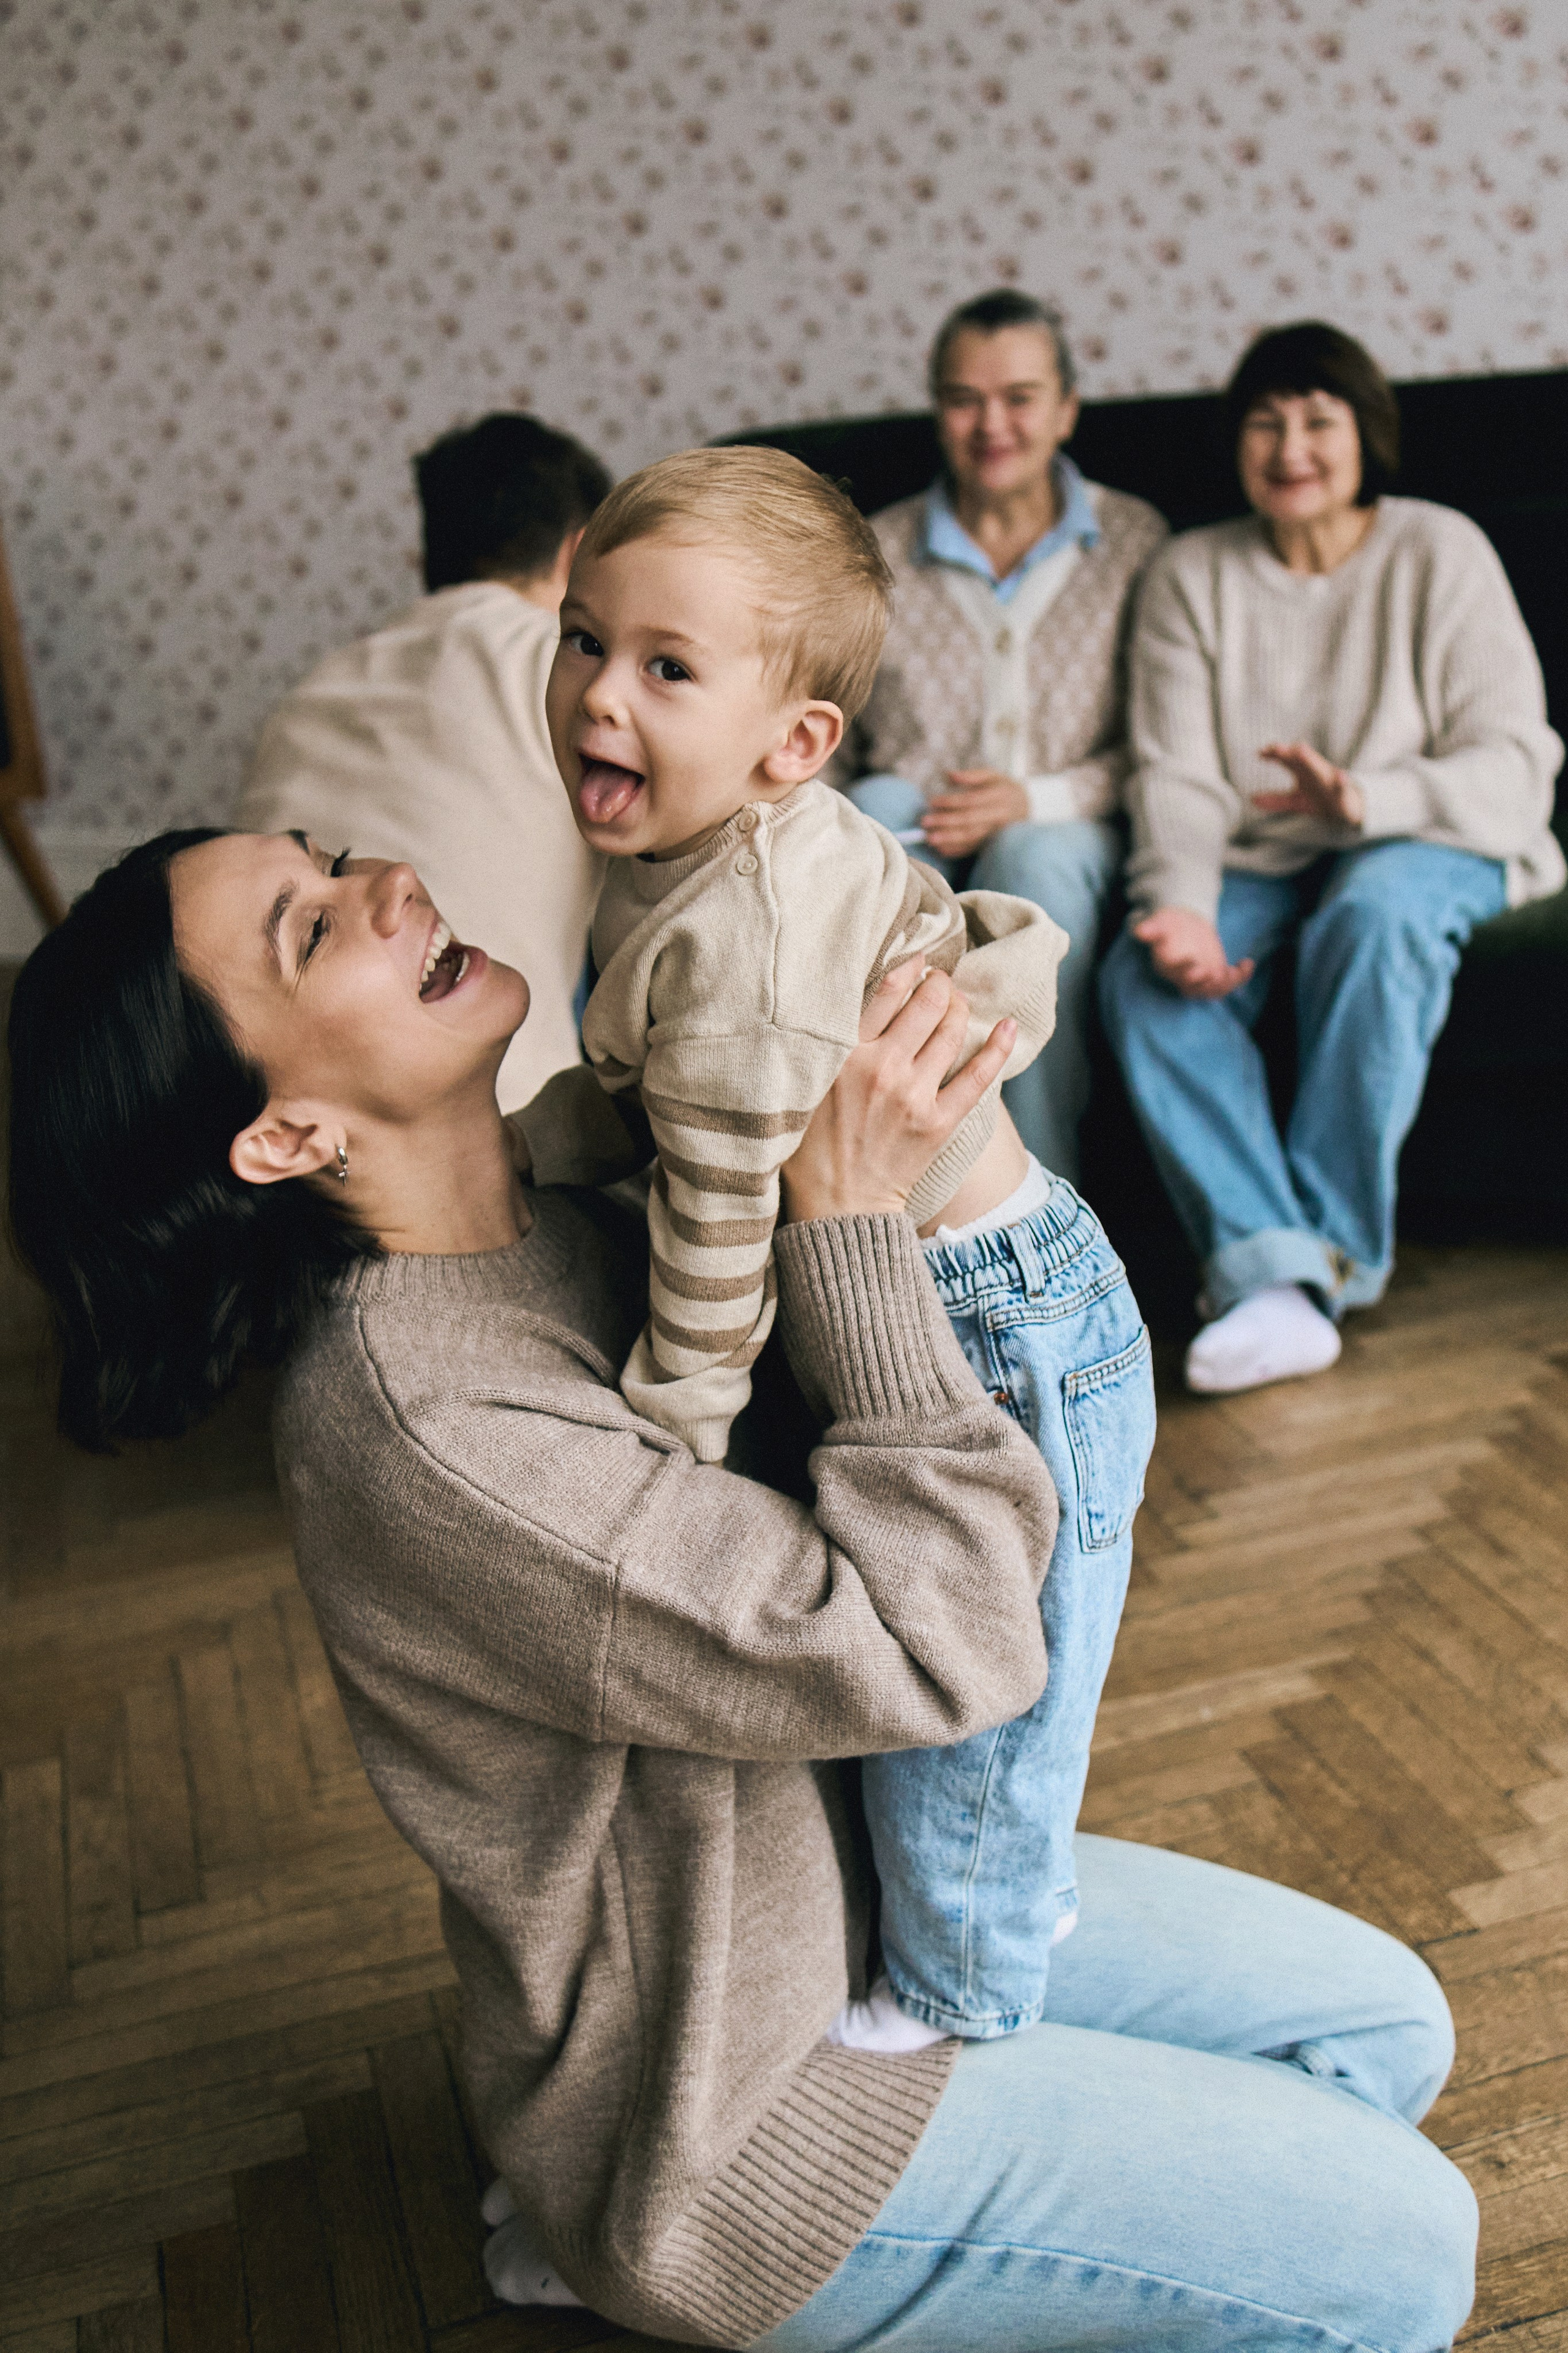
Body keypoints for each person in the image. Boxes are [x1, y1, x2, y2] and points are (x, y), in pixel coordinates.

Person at [7, 826, 1479, 2348]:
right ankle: (614, 2236)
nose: (378, 879)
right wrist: (846, 1231)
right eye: (309, 929)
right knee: (1408, 2254)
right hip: (740, 2110)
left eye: (324, 852)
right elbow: (939, 1645)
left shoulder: (564, 1207)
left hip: (875, 1896)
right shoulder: (427, 1435)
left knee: (1377, 2028)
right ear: (287, 1133)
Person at [540, 442, 1153, 2044]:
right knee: (943, 1661)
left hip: (997, 1315)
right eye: (584, 638)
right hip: (949, 1272)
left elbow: (722, 1235)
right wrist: (543, 1131)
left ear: (794, 744)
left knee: (990, 1697)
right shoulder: (685, 848)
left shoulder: (741, 952)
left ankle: (968, 1991)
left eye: (668, 668)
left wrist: (669, 1430)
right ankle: (977, 1911)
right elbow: (645, 1079)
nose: (602, 696)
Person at [1099, 320, 1566, 1397]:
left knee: (1376, 913)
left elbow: (1517, 763)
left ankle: (1332, 1259)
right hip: (1258, 849)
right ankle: (1274, 1271)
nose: (1290, 447)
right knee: (1142, 976)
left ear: (1367, 434)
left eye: (1318, 420)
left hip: (1429, 833)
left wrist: (1368, 798)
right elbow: (1175, 774)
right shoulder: (1188, 573)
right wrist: (1183, 904)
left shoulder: (1438, 549)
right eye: (1265, 423)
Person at [834, 288, 1167, 1180]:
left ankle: (1040, 1195)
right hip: (919, 821)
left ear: (1066, 409)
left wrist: (1034, 798)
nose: (993, 425)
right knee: (873, 812)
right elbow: (830, 730)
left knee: (1035, 858)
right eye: (964, 399)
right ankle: (886, 1187)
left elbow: (1163, 746)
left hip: (1069, 827)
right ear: (936, 409)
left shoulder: (1136, 541)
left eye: (1019, 398)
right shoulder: (876, 550)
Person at [236, 411, 612, 1111]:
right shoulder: (565, 664)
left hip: (275, 1095)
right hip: (507, 1111)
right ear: (580, 554)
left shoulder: (314, 687)